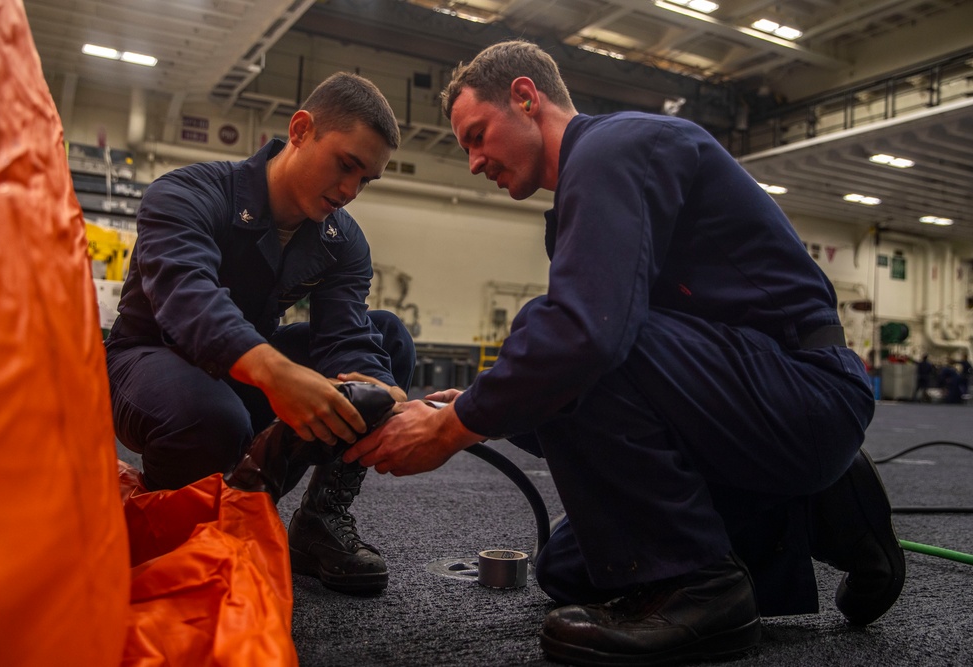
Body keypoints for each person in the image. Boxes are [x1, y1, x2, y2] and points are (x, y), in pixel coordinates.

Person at [344, 40, 905, 664]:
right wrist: (482, 415)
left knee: (558, 331)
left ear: (527, 98)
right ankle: (829, 509)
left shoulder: (617, 147)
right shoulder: (587, 197)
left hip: (808, 393)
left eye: (477, 135)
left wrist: (453, 426)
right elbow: (605, 396)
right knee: (571, 569)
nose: (474, 161)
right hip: (752, 406)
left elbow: (590, 341)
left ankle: (703, 587)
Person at [105, 72, 415, 596]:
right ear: (300, 130)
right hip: (149, 361)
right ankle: (177, 529)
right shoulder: (186, 192)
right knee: (211, 418)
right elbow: (187, 301)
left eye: (366, 181)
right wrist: (279, 375)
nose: (349, 191)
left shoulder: (343, 240)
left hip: (244, 375)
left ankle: (319, 520)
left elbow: (348, 337)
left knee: (387, 337)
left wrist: (379, 393)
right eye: (346, 165)